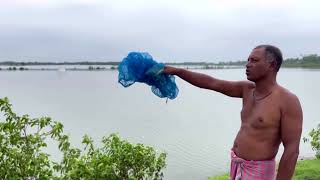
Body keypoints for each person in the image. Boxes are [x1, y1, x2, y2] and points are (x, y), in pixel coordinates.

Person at [163, 45, 303, 180]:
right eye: (248, 60)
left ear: (272, 65)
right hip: (237, 165)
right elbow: (211, 83)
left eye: (254, 60)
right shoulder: (247, 89)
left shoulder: (287, 100)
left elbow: (291, 151)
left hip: (259, 171)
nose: (247, 64)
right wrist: (177, 71)